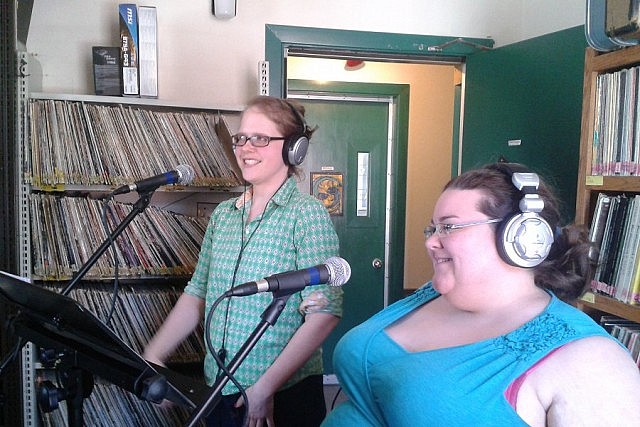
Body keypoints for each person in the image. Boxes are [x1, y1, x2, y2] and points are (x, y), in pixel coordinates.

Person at [322, 162, 640, 426]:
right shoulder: (428, 295)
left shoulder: (592, 362)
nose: (431, 242)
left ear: (522, 237)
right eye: (432, 228)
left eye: (449, 227)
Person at [144, 96, 343, 427]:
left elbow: (324, 313)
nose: (245, 148)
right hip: (219, 388)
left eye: (261, 138)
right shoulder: (223, 215)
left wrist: (265, 388)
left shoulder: (307, 215)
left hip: (280, 396)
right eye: (241, 138)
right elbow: (198, 293)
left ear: (294, 149)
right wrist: (154, 355)